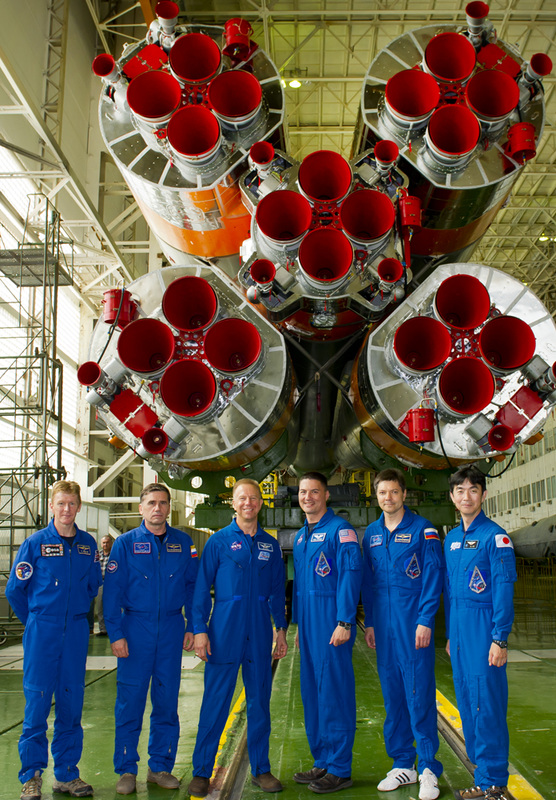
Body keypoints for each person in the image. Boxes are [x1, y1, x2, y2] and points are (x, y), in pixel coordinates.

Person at [187, 478, 288, 798]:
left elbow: (276, 591)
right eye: (242, 498)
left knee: (260, 702)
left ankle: (261, 768)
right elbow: (202, 589)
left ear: (261, 503)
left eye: (254, 498)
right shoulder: (217, 542)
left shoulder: (270, 545)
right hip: (224, 628)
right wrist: (200, 629)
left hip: (258, 631)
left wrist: (281, 628)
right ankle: (202, 770)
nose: (248, 503)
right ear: (233, 503)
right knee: (215, 701)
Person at [6, 480, 102, 800]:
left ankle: (66, 774)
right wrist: (36, 620)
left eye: (72, 504)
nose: (66, 510)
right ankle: (31, 775)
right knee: (37, 703)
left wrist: (70, 618)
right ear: (51, 506)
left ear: (78, 507)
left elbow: (91, 587)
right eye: (60, 503)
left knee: (71, 703)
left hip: (75, 632)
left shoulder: (88, 545)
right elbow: (15, 591)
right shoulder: (34, 544)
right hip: (42, 631)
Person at [103, 483, 198, 794]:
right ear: (141, 508)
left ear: (169, 508)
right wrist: (116, 633)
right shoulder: (125, 544)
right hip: (135, 630)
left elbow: (192, 589)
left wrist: (192, 626)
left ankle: (160, 767)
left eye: (163, 503)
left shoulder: (183, 544)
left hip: (171, 631)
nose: (158, 508)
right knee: (129, 703)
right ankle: (127, 769)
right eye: (151, 503)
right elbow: (112, 593)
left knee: (167, 703)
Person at [362, 468, 443, 800]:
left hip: (413, 626)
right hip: (382, 625)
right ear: (376, 496)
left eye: (394, 492)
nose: (388, 498)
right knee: (393, 695)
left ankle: (427, 769)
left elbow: (433, 577)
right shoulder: (371, 534)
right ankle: (402, 764)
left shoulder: (423, 530)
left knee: (418, 692)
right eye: (382, 493)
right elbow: (368, 582)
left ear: (404, 495)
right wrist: (368, 622)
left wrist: (425, 619)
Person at [445, 465, 517, 800]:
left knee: (486, 707)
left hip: (485, 634)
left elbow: (503, 590)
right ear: (452, 497)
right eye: (460, 490)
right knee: (468, 705)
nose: (466, 496)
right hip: (460, 637)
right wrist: (451, 636)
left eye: (473, 489)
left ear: (483, 495)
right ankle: (483, 774)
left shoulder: (496, 538)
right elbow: (451, 591)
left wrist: (499, 638)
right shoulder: (452, 540)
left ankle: (493, 783)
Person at [292, 472, 362, 795]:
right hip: (307, 625)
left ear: (327, 495)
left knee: (334, 692)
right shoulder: (301, 537)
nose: (308, 497)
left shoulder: (341, 531)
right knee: (312, 693)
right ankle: (322, 758)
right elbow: (299, 586)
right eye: (303, 492)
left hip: (331, 622)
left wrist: (345, 620)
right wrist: (296, 625)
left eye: (314, 492)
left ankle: (340, 768)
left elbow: (349, 576)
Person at [95, 534, 114, 636]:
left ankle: (115, 628)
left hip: (113, 584)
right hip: (101, 583)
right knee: (100, 607)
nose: (105, 544)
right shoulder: (98, 555)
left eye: (107, 542)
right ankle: (103, 629)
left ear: (111, 543)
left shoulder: (115, 555)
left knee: (114, 606)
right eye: (103, 543)